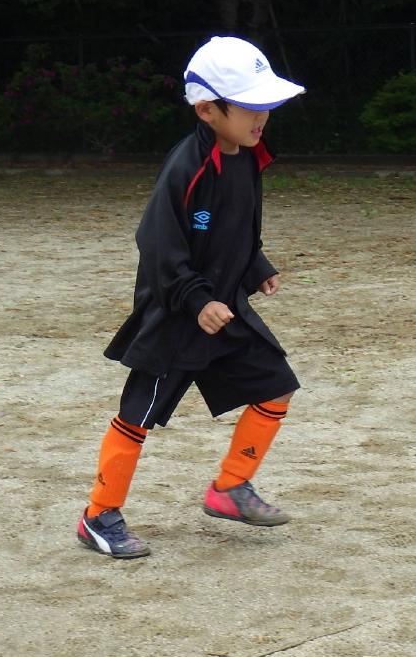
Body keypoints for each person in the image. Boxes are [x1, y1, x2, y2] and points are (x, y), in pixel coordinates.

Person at [77, 36, 306, 559]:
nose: (263, 116)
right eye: (250, 106)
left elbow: (236, 228)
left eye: (266, 104)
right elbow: (157, 244)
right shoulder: (187, 165)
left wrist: (256, 266)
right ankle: (98, 515)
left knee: (276, 386)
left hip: (224, 310)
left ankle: (230, 487)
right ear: (207, 110)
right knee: (136, 416)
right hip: (178, 316)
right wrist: (195, 300)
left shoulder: (247, 157)